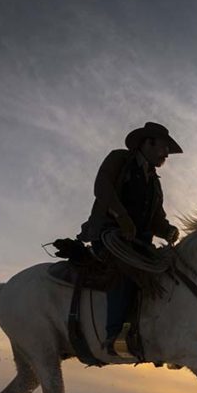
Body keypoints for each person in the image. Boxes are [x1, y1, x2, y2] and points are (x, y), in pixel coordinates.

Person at [78, 122, 183, 356]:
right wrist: (121, 216)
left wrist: (167, 231)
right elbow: (102, 188)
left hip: (138, 243)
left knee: (168, 274)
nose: (166, 154)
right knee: (125, 270)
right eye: (164, 148)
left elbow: (157, 218)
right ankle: (115, 336)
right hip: (109, 234)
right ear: (147, 142)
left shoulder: (155, 183)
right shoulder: (119, 160)